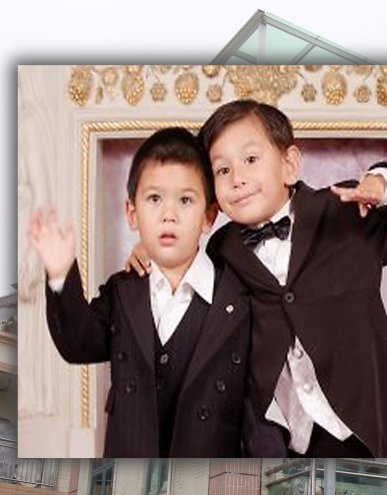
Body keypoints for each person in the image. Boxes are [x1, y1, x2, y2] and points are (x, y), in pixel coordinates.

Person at [135, 100, 387, 458]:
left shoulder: (344, 210)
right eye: (222, 170)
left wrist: (384, 183)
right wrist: (155, 253)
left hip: (365, 425)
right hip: (283, 436)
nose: (238, 179)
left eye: (250, 160)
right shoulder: (221, 249)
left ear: (289, 164)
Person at [28, 127, 253, 458]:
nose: (169, 214)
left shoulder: (237, 298)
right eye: (154, 198)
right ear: (132, 214)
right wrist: (61, 274)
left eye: (186, 200)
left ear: (208, 216)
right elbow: (78, 344)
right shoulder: (124, 290)